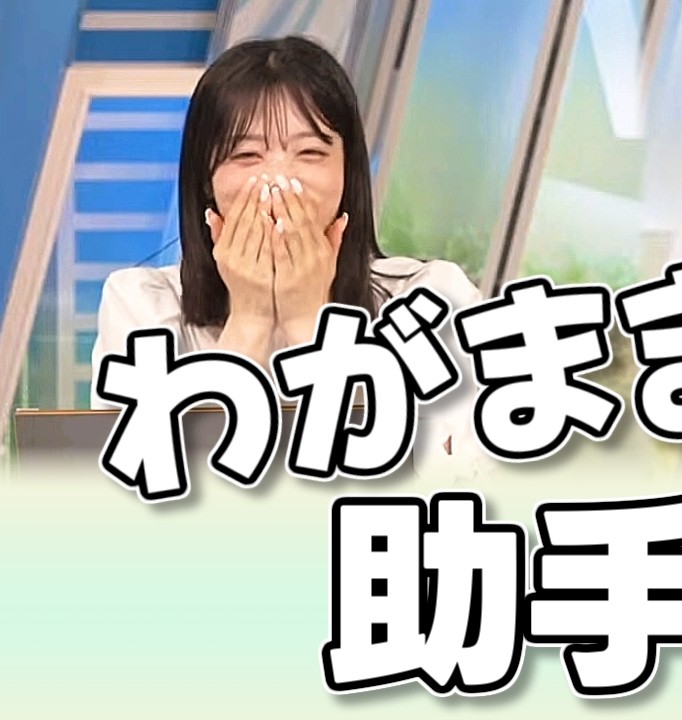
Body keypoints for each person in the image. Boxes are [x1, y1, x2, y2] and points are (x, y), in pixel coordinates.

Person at [90, 36, 482, 481]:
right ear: (206, 182)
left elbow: (455, 483)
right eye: (246, 155)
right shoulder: (142, 305)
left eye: (310, 153)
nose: (277, 180)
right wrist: (250, 318)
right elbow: (149, 491)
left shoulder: (431, 299)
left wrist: (308, 319)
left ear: (348, 174)